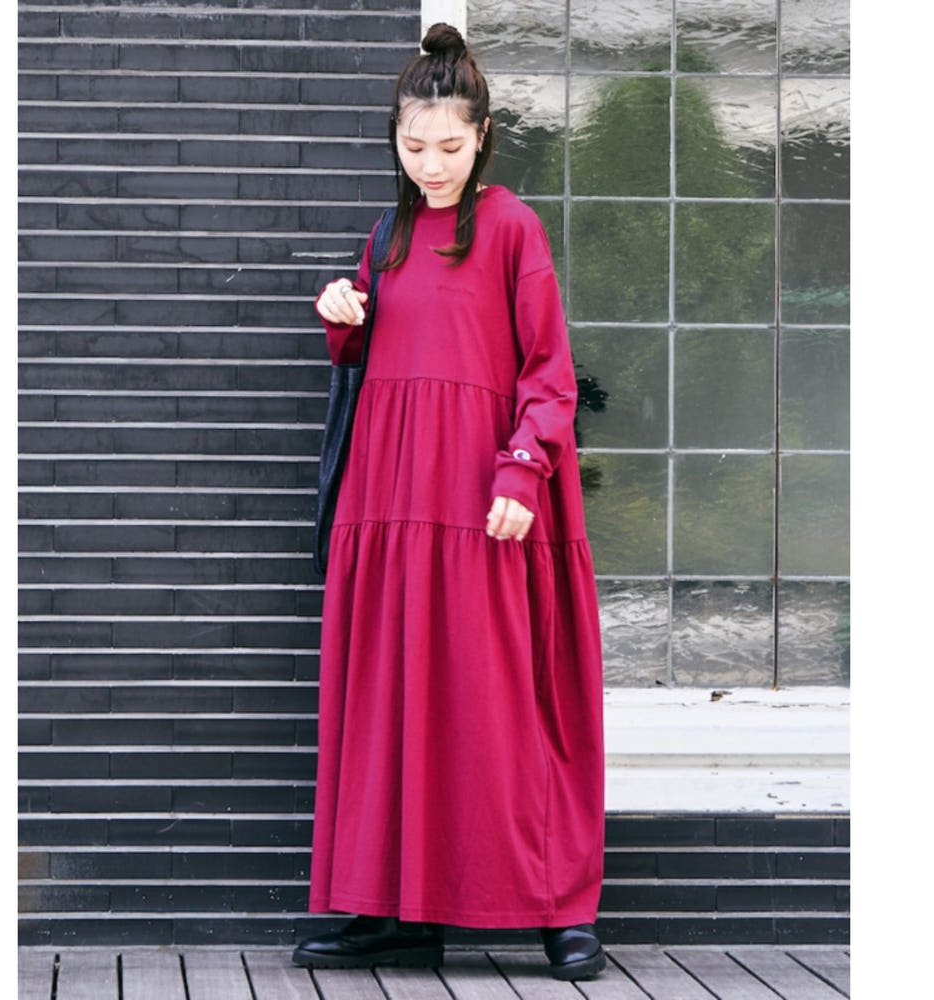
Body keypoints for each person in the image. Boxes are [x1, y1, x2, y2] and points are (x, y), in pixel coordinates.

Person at [292, 23, 606, 982]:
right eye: (414, 145)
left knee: (507, 710)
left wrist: (522, 471)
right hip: (391, 502)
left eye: (450, 146)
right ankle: (397, 910)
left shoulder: (511, 227)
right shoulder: (385, 237)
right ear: (395, 138)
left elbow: (549, 372)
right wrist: (344, 315)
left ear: (483, 139)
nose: (431, 165)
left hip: (484, 506)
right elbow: (380, 356)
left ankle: (557, 910)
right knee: (393, 707)